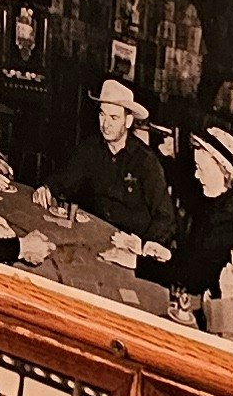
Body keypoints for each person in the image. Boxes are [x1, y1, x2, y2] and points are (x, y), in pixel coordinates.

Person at [43, 78, 183, 267]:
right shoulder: (91, 148)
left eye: (114, 117)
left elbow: (166, 218)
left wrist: (142, 247)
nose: (105, 124)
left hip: (130, 249)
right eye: (102, 115)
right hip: (95, 237)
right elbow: (66, 180)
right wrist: (48, 187)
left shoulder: (145, 161)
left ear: (128, 121)